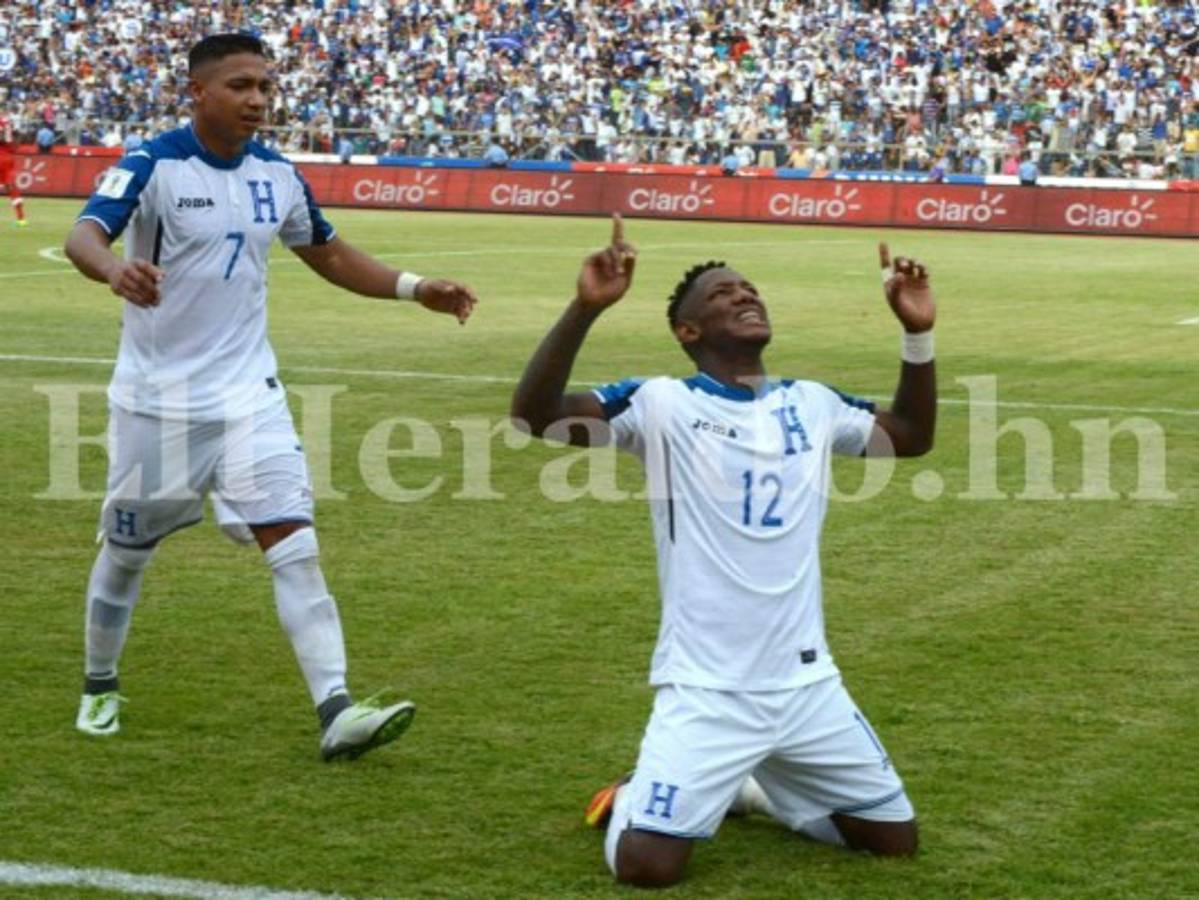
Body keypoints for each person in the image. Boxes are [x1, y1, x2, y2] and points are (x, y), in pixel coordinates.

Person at [63, 34, 479, 760]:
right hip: (156, 405)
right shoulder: (152, 164)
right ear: (197, 92)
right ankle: (100, 682)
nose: (257, 99)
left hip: (250, 396)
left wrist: (416, 288)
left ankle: (336, 709)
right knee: (127, 553)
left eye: (264, 86)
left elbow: (326, 251)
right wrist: (112, 272)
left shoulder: (277, 173)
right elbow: (84, 234)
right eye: (240, 86)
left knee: (294, 543)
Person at [510, 215, 936, 887]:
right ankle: (643, 792)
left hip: (807, 686)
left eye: (748, 289)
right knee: (646, 868)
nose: (743, 296)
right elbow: (534, 416)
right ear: (688, 331)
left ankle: (749, 788)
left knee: (892, 843)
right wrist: (583, 309)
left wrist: (916, 333)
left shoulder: (812, 402)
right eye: (721, 295)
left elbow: (909, 435)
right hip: (708, 689)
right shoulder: (658, 404)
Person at [0, 110, 29, 227]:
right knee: (11, 188)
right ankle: (21, 219)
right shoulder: (7, 122)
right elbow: (15, 136)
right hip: (8, 157)